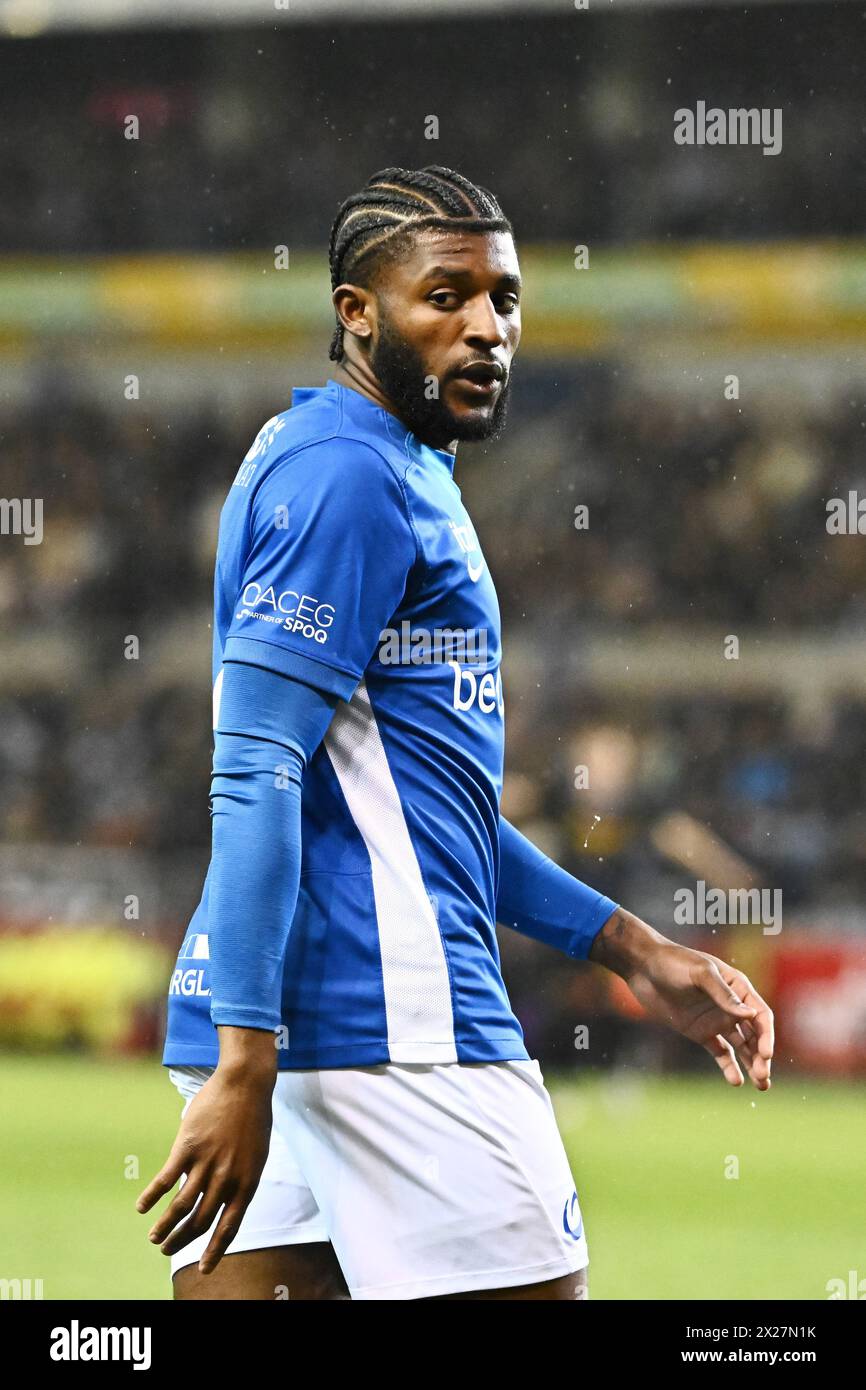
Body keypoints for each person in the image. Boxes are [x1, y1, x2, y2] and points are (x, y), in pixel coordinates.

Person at [138, 165, 774, 1301]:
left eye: (505, 298)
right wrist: (244, 1057)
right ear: (357, 312)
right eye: (445, 297)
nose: (486, 329)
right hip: (394, 1032)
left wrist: (632, 951)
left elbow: (431, 816)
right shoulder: (348, 477)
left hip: (296, 1031)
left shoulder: (369, 462)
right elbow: (254, 765)